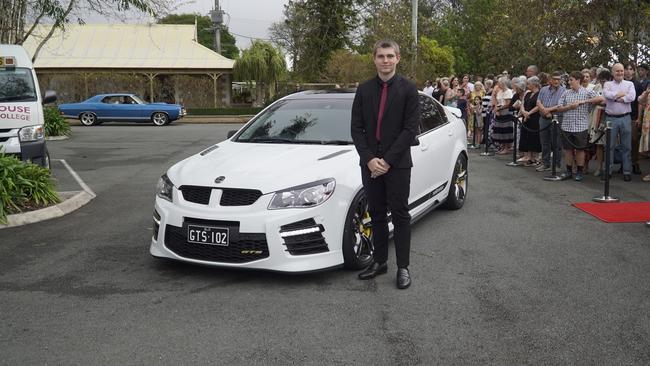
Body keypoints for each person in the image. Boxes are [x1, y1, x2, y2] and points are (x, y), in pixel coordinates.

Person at [350, 39, 419, 289]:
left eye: (390, 56)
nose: (386, 60)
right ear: (374, 59)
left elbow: (410, 130)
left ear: (398, 58)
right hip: (370, 164)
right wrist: (369, 159)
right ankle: (380, 262)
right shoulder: (364, 89)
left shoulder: (409, 90)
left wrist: (387, 161)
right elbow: (356, 129)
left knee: (400, 215)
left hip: (398, 165)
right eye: (381, 56)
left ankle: (403, 267)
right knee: (376, 214)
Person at [551, 71, 605, 181]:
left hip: (581, 127)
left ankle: (579, 172)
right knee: (568, 150)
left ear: (578, 80)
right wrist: (569, 107)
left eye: (571, 80)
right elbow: (559, 108)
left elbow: (601, 99)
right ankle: (569, 171)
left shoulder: (587, 92)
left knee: (580, 150)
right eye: (569, 80)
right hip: (567, 126)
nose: (569, 82)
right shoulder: (566, 93)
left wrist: (583, 101)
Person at [603, 63, 637, 181]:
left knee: (626, 146)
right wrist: (620, 95)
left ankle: (627, 171)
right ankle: (608, 171)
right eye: (617, 71)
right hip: (611, 118)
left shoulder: (630, 84)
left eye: (621, 71)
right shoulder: (607, 84)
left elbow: (632, 97)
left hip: (625, 118)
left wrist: (617, 98)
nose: (620, 73)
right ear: (612, 72)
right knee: (609, 146)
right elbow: (606, 95)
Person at [536, 71, 566, 172]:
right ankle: (545, 163)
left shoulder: (564, 91)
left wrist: (548, 110)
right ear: (550, 80)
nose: (556, 81)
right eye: (554, 79)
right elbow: (538, 101)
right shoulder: (544, 89)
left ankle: (557, 165)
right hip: (543, 118)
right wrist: (544, 110)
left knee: (557, 143)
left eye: (558, 79)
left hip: (556, 118)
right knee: (544, 142)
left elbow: (561, 105)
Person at [588, 69, 611, 176]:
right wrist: (598, 100)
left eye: (604, 80)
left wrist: (599, 100)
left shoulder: (612, 87)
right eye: (601, 80)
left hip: (607, 115)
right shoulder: (597, 87)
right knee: (598, 144)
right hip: (596, 115)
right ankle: (599, 167)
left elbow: (608, 101)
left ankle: (608, 167)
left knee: (609, 144)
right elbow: (593, 100)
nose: (603, 83)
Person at [518, 76, 542, 165]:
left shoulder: (540, 93)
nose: (527, 86)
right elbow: (523, 103)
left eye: (529, 84)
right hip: (526, 118)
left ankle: (535, 158)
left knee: (534, 137)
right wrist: (524, 112)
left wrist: (529, 113)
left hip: (535, 118)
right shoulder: (527, 93)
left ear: (534, 84)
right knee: (526, 136)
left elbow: (538, 105)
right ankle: (528, 156)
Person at [625, 62, 644, 174]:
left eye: (630, 69)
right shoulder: (620, 83)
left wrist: (639, 117)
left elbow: (640, 102)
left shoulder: (637, 84)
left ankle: (634, 163)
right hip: (623, 115)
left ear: (634, 71)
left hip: (633, 115)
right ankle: (624, 164)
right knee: (623, 141)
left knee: (633, 140)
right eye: (626, 69)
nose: (628, 71)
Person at [491, 77, 515, 154]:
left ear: (503, 83)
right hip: (499, 112)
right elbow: (497, 101)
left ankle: (507, 148)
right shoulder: (500, 91)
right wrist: (496, 109)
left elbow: (508, 104)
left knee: (506, 131)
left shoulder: (508, 92)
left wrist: (499, 109)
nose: (498, 84)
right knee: (500, 130)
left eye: (499, 83)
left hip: (506, 113)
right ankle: (502, 146)